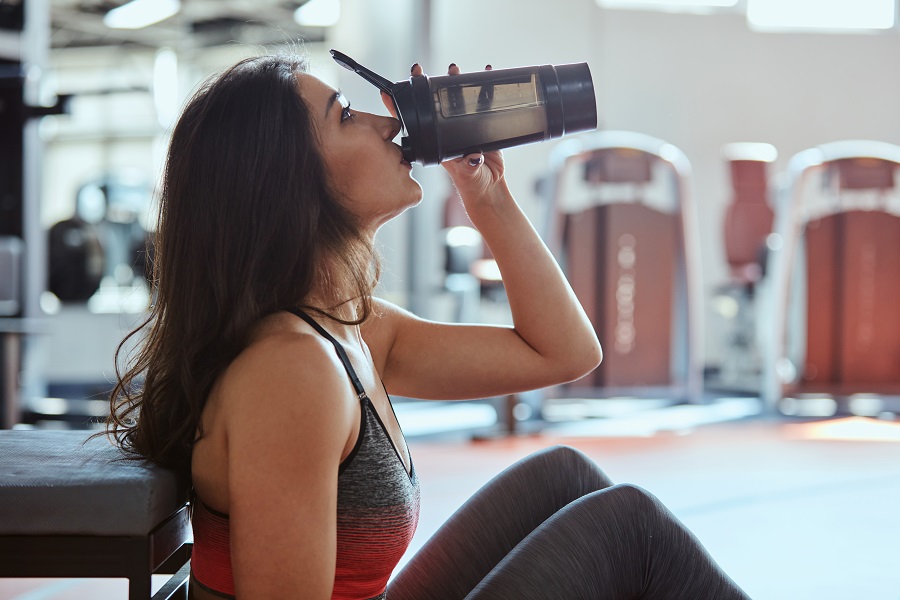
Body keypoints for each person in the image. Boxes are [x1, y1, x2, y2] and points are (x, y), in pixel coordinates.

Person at [107, 53, 750, 600]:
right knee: (626, 526)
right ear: (290, 183)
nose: (392, 124)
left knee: (567, 476)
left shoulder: (354, 330)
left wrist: (486, 199)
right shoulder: (290, 370)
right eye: (348, 115)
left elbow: (564, 351)